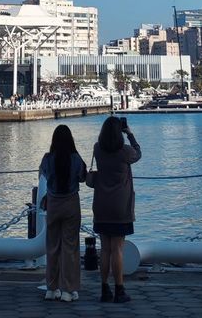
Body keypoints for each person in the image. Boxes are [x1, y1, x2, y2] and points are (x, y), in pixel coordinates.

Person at [87, 116, 141, 304]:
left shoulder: (97, 149)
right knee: (117, 249)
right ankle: (119, 290)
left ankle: (104, 289)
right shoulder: (125, 152)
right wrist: (130, 134)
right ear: (120, 132)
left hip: (101, 205)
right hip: (120, 206)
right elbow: (138, 153)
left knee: (105, 249)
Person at [39, 124, 87, 302]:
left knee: (52, 247)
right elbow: (82, 177)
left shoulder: (47, 158)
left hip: (53, 204)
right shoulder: (75, 158)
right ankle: (68, 289)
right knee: (70, 247)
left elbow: (43, 174)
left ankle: (51, 288)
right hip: (71, 203)